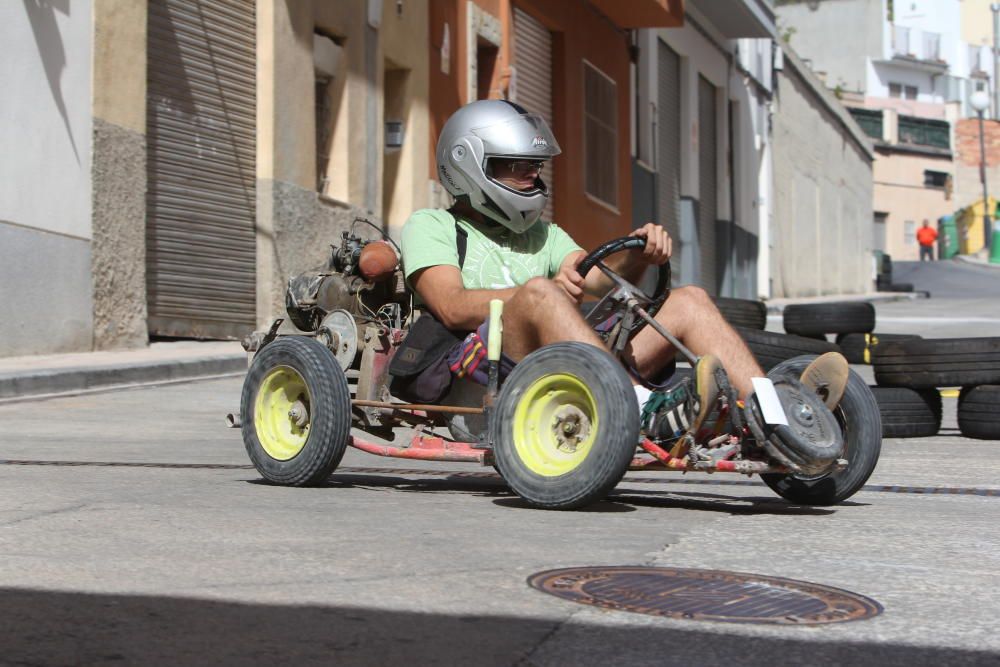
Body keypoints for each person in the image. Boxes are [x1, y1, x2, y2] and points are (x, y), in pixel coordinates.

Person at [398, 99, 846, 441]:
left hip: (567, 375)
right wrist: (538, 293)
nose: (532, 180)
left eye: (535, 168)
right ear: (468, 165)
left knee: (688, 300)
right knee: (537, 293)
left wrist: (638, 253)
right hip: (483, 394)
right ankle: (645, 409)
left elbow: (594, 278)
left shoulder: (545, 237)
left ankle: (774, 413)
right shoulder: (432, 225)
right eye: (517, 169)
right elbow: (452, 306)